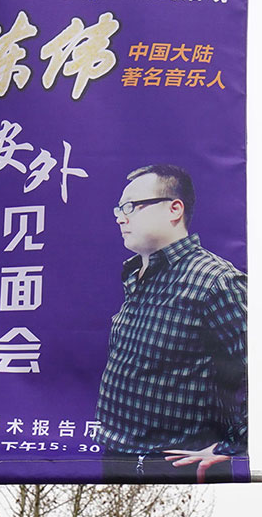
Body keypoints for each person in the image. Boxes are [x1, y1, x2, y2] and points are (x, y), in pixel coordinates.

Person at [97, 163, 248, 482]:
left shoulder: (216, 282)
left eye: (131, 207)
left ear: (174, 209)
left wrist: (232, 447)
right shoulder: (136, 275)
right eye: (119, 209)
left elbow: (255, 375)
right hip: (116, 462)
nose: (121, 217)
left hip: (173, 472)